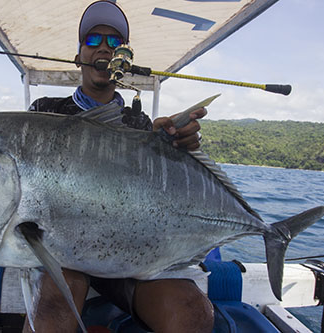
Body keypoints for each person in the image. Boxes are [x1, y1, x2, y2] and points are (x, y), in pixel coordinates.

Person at [25, 1, 214, 332]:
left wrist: (173, 149)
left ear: (124, 59)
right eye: (93, 39)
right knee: (56, 300)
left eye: (114, 42)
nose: (103, 47)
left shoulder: (137, 123)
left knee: (192, 312)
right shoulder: (45, 111)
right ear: (78, 55)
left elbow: (152, 192)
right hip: (61, 248)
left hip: (123, 252)